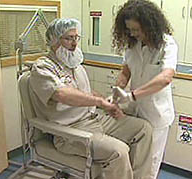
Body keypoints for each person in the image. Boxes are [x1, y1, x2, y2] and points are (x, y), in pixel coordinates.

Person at [28, 18, 155, 179]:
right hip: (69, 132)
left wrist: (108, 102)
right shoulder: (43, 68)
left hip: (95, 119)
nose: (74, 43)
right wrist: (98, 102)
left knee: (144, 129)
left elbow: (86, 92)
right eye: (68, 38)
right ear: (54, 41)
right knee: (119, 151)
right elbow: (62, 94)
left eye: (76, 38)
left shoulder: (74, 65)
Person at [111, 0, 178, 178]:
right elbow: (126, 71)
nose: (133, 34)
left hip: (155, 116)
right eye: (129, 30)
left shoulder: (167, 45)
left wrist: (131, 96)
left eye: (136, 30)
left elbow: (165, 78)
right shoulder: (133, 45)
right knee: (131, 160)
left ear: (149, 25)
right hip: (134, 113)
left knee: (148, 166)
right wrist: (117, 92)